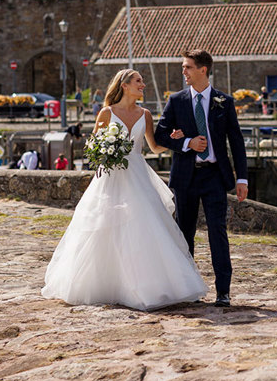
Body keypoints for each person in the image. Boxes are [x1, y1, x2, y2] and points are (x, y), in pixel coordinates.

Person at [42, 69, 207, 311]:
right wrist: (105, 154)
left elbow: (153, 147)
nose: (143, 84)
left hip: (138, 175)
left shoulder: (146, 115)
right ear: (125, 85)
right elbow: (93, 148)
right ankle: (106, 283)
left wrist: (172, 139)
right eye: (138, 81)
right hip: (111, 178)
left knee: (144, 226)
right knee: (105, 227)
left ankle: (144, 285)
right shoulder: (106, 113)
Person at [155, 49, 248, 308]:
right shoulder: (176, 101)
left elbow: (237, 142)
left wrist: (242, 179)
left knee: (217, 232)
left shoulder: (224, 102)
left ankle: (223, 292)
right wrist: (187, 142)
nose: (183, 71)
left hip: (215, 177)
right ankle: (188, 288)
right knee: (184, 234)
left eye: (187, 67)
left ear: (203, 70)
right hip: (185, 178)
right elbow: (160, 135)